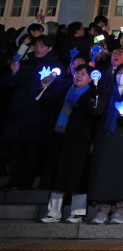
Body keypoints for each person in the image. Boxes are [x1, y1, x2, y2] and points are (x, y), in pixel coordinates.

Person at [1, 35, 64, 191]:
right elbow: (10, 83)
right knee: (16, 148)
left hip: (38, 112)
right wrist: (13, 73)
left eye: (42, 46)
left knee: (32, 149)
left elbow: (55, 90)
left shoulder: (54, 66)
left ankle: (26, 181)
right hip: (19, 111)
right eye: (36, 45)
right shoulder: (25, 63)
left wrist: (45, 90)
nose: (38, 48)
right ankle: (14, 179)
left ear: (49, 48)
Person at [38, 64, 98, 223]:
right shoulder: (65, 91)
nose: (78, 75)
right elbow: (48, 107)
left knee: (78, 175)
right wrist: (43, 89)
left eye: (84, 74)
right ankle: (53, 212)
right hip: (60, 137)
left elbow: (95, 117)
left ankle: (77, 213)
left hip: (80, 140)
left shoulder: (92, 93)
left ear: (91, 78)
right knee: (57, 174)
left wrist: (93, 141)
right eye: (77, 72)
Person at [88, 63, 123, 224]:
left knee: (122, 174)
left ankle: (120, 209)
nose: (122, 75)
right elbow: (97, 111)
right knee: (104, 172)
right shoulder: (107, 91)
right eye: (119, 72)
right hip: (107, 135)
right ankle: (103, 209)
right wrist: (95, 93)